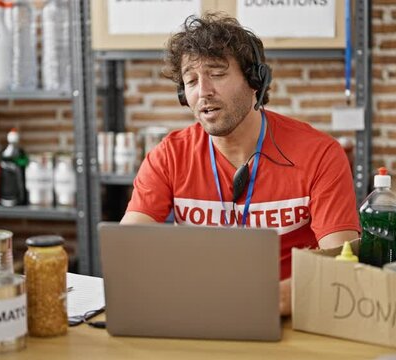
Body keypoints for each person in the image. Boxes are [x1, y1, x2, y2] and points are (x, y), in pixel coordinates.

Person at [121, 13, 360, 316]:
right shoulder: (167, 156)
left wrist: (272, 299)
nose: (203, 90)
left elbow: (343, 266)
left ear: (254, 82)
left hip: (291, 315)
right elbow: (126, 255)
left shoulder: (321, 154)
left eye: (217, 74)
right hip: (196, 311)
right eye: (191, 80)